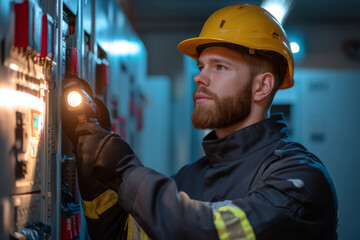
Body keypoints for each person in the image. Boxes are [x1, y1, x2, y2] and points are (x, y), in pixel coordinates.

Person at [65, 4, 338, 240]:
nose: (200, 78)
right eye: (201, 66)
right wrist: (95, 173)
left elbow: (207, 232)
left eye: (219, 67)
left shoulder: (300, 180)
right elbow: (125, 235)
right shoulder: (190, 177)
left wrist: (126, 172)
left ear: (262, 86)